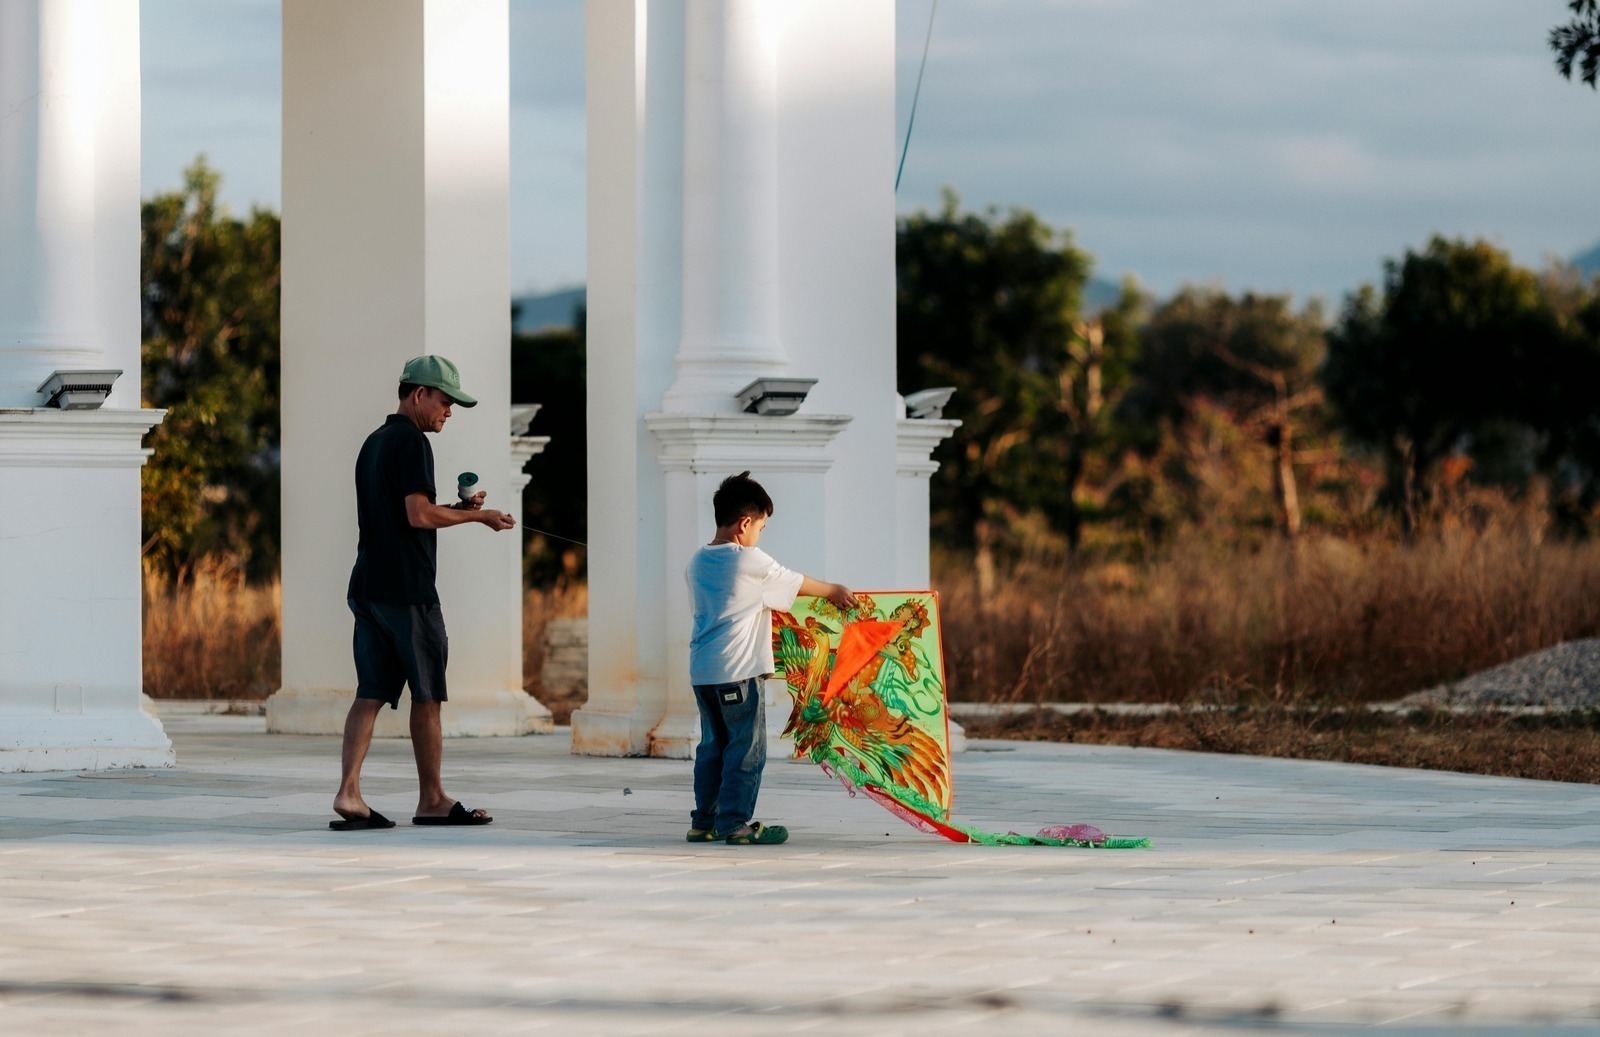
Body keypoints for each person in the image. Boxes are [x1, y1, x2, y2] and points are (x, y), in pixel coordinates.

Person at [329, 355, 517, 832]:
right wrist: (479, 516)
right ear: (419, 395)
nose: (449, 411)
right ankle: (432, 799)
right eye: (445, 400)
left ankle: (349, 792)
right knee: (427, 693)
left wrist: (452, 507)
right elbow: (417, 515)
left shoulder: (373, 443)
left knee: (370, 692)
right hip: (408, 591)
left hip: (368, 585)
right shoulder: (412, 442)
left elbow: (407, 513)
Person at [685, 471, 856, 845]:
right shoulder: (749, 561)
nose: (759, 536)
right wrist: (834, 591)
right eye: (760, 527)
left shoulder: (697, 562)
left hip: (703, 672)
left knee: (712, 746)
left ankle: (704, 822)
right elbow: (793, 581)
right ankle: (735, 824)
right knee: (747, 749)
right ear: (745, 523)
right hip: (738, 672)